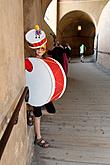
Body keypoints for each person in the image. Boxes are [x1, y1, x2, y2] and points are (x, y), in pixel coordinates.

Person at [25, 24, 56, 148]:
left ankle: (32, 113)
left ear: (45, 49)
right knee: (38, 115)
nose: (39, 51)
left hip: (44, 91)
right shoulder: (30, 61)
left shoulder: (47, 61)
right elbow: (27, 72)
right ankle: (38, 138)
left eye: (42, 49)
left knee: (52, 111)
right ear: (34, 49)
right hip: (35, 92)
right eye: (38, 49)